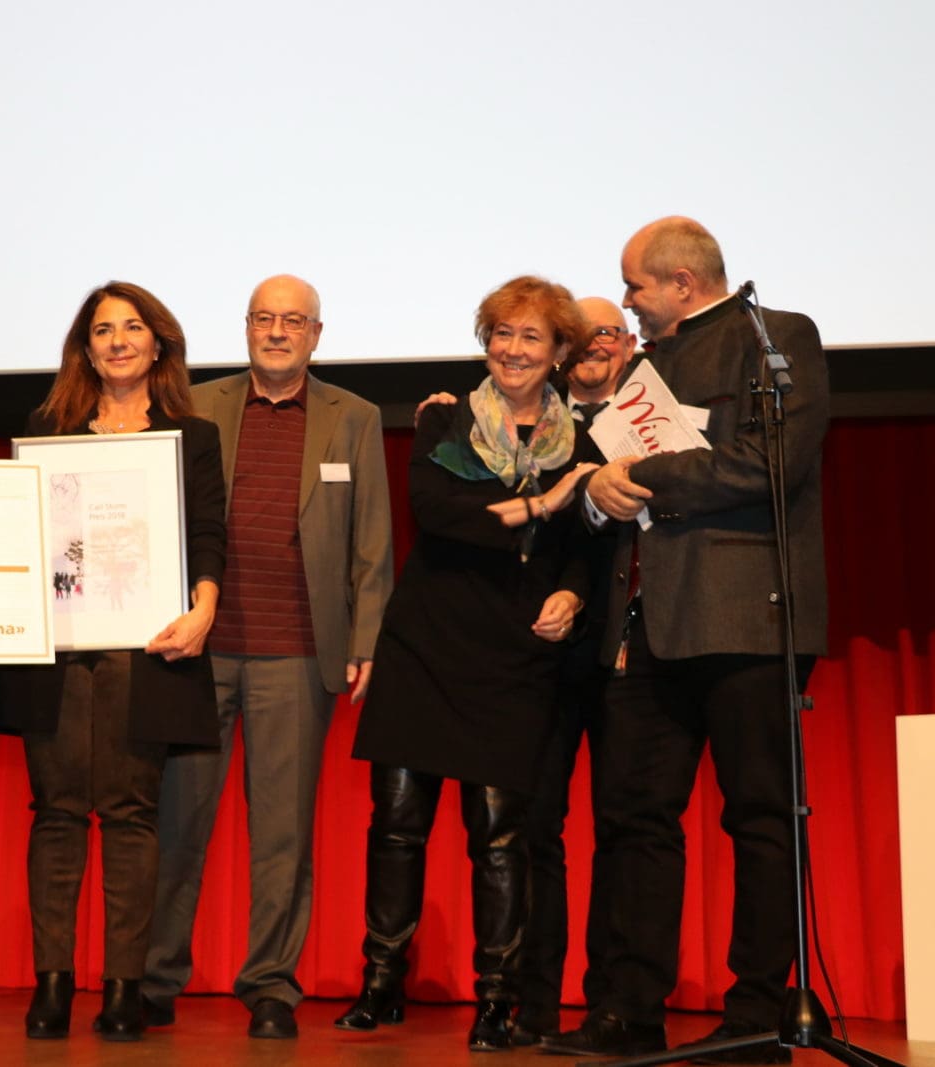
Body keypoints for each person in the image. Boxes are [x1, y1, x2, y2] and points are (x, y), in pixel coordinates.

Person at [541, 217, 829, 1063]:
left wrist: (642, 476)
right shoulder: (644, 367)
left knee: (761, 816)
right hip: (646, 624)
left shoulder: (777, 339)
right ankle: (628, 1009)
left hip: (746, 616)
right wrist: (598, 491)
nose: (626, 301)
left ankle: (758, 1014)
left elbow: (769, 463)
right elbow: (603, 481)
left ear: (680, 281)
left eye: (634, 285)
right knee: (634, 819)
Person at [342, 276, 597, 1052]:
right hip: (425, 642)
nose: (512, 350)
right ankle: (380, 984)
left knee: (498, 836)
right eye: (501, 334)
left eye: (531, 337)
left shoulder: (582, 446)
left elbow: (585, 547)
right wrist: (540, 505)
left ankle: (497, 1001)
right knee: (397, 824)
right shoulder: (444, 418)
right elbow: (438, 513)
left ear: (559, 352)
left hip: (513, 653)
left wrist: (572, 593)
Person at [141, 274, 394, 1039]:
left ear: (316, 334)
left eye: (292, 320)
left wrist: (366, 641)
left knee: (283, 834)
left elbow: (372, 544)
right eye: (263, 318)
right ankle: (154, 979)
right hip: (197, 651)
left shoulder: (355, 416)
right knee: (177, 823)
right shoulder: (195, 405)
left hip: (299, 655)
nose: (277, 331)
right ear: (246, 327)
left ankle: (270, 985)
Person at [0, 281, 225, 1043]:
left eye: (132, 327)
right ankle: (52, 983)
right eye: (102, 330)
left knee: (129, 814)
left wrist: (204, 607)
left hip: (146, 649)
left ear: (158, 344)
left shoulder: (192, 436)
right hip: (57, 648)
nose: (118, 341)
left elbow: (207, 533)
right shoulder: (47, 432)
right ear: (85, 350)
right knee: (56, 811)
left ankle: (124, 988)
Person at [512, 297, 637, 1043]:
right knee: (534, 829)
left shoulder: (657, 419)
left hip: (628, 655)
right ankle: (532, 1006)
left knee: (624, 830)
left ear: (630, 344)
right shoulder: (535, 422)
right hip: (545, 655)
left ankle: (612, 1007)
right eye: (581, 337)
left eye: (607, 334)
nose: (594, 346)